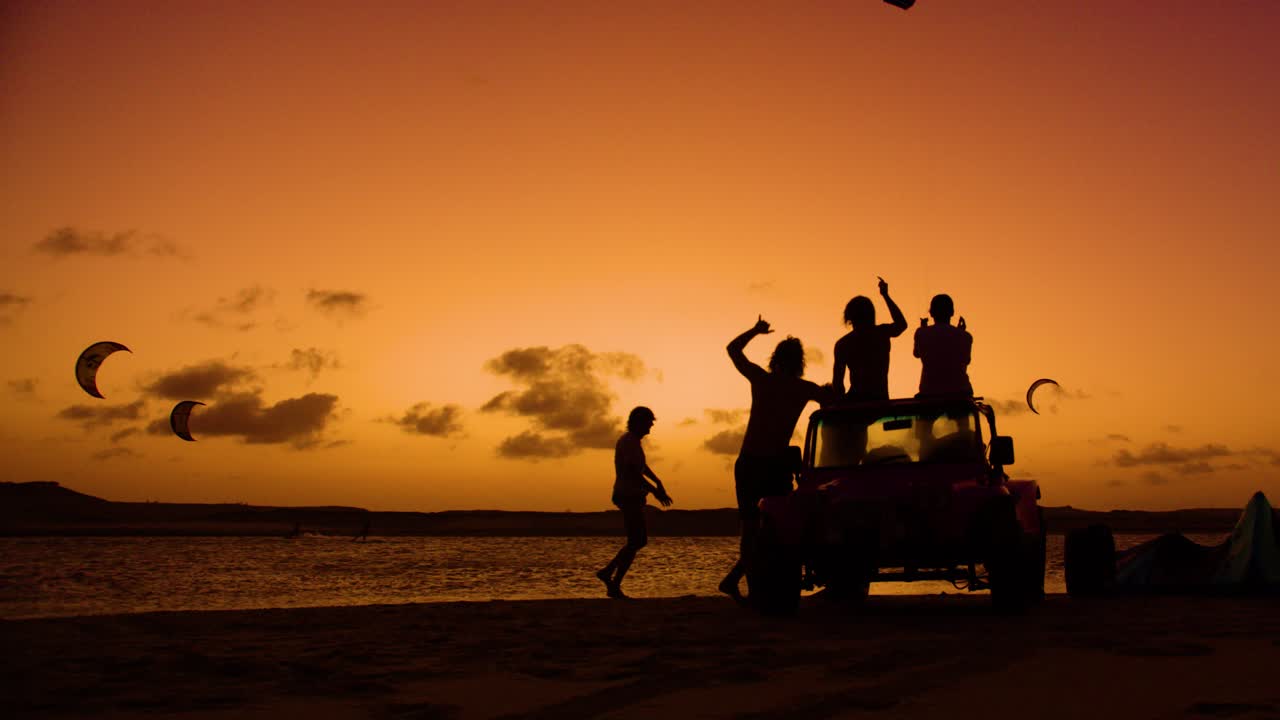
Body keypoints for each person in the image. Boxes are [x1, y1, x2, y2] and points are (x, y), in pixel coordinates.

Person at [719, 317, 827, 602]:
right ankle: (746, 585)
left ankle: (743, 583)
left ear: (776, 359)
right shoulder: (803, 388)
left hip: (753, 463)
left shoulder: (763, 380)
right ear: (799, 363)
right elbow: (834, 400)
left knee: (752, 528)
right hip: (768, 465)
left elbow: (732, 349)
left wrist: (755, 331)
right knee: (773, 526)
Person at [596, 406, 672, 599]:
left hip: (632, 495)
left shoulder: (634, 442)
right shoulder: (629, 441)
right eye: (648, 423)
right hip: (627, 495)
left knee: (637, 540)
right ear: (639, 422)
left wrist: (658, 481)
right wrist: (655, 490)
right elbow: (632, 471)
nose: (650, 427)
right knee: (637, 540)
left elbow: (641, 467)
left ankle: (610, 575)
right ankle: (611, 579)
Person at [832, 276, 908, 401]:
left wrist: (842, 409)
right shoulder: (881, 333)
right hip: (880, 400)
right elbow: (902, 324)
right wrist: (885, 296)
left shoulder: (843, 344)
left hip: (856, 403)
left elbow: (838, 384)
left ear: (849, 318)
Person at [913, 293, 973, 396]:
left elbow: (917, 354)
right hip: (960, 392)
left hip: (929, 392)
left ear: (931, 313)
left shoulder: (921, 333)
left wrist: (923, 329)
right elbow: (966, 360)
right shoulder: (966, 336)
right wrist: (960, 332)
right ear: (952, 312)